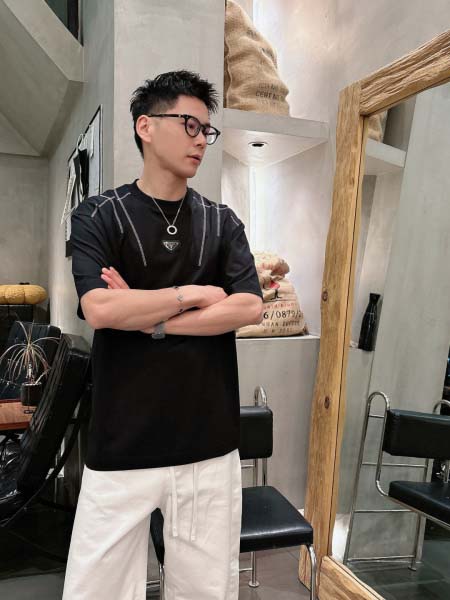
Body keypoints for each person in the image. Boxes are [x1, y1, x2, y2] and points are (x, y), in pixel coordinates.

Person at [62, 70, 263, 600]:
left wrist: (149, 316)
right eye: (189, 124)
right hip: (120, 441)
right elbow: (100, 308)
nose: (201, 140)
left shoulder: (222, 222)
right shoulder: (99, 215)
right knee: (95, 590)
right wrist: (193, 293)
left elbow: (248, 306)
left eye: (206, 130)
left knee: (205, 591)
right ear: (145, 126)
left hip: (207, 443)